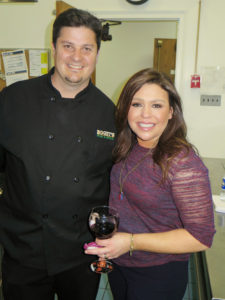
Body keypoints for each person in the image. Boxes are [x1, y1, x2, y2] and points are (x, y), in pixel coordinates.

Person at [0, 8, 116, 300]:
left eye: (86, 48)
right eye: (68, 46)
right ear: (53, 48)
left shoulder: (110, 113)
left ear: (97, 54)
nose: (77, 57)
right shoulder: (13, 100)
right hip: (23, 252)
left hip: (81, 254)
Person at [84, 68, 215, 300]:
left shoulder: (182, 163)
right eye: (136, 104)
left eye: (156, 105)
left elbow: (201, 238)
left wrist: (131, 241)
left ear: (171, 111)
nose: (145, 115)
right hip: (121, 264)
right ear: (125, 109)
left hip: (157, 274)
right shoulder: (128, 145)